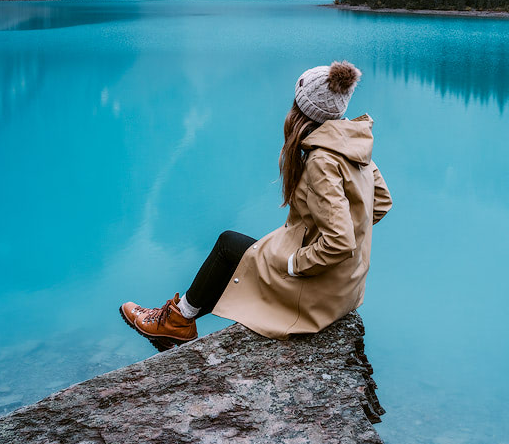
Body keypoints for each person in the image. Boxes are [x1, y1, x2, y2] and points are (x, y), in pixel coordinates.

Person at [120, 60, 392, 346]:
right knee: (249, 251)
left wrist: (296, 264)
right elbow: (381, 202)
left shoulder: (321, 160)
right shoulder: (351, 143)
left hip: (320, 294)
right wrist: (329, 233)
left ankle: (177, 321)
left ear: (302, 109)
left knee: (228, 246)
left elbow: (339, 242)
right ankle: (180, 319)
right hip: (346, 288)